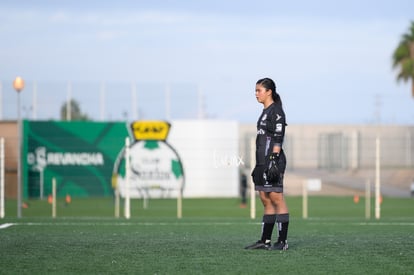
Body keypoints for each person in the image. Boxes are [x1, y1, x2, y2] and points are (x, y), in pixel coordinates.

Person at [245, 77, 289, 251]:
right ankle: (265, 240)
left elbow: (278, 137)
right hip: (261, 162)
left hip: (272, 161)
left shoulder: (276, 112)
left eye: (259, 90)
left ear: (269, 91)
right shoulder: (264, 111)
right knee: (265, 198)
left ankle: (282, 242)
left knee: (276, 198)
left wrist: (273, 159)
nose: (256, 94)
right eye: (255, 90)